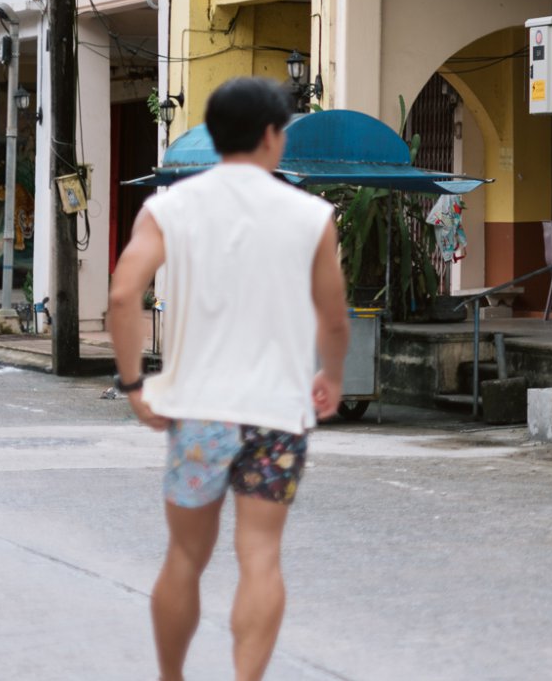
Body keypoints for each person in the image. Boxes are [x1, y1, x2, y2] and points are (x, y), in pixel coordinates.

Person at [108, 76, 348, 681]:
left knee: (185, 557)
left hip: (198, 412)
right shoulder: (311, 216)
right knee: (261, 557)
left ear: (215, 136)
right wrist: (332, 377)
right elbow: (335, 319)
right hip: (276, 415)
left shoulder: (169, 208)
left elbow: (122, 294)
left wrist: (136, 385)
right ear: (273, 136)